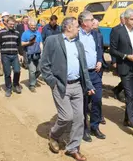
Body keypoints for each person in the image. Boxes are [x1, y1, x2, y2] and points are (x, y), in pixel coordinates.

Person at [41, 16, 95, 161]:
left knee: (79, 118)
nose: (79, 28)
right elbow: (44, 65)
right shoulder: (53, 41)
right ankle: (54, 135)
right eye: (77, 26)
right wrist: (53, 82)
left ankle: (73, 148)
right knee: (66, 117)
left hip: (77, 85)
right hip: (60, 85)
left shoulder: (79, 44)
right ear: (69, 27)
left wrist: (88, 85)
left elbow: (83, 68)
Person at [110, 8, 133, 138]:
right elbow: (113, 50)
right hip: (125, 68)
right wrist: (125, 56)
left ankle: (126, 119)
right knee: (129, 96)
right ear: (126, 19)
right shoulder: (117, 31)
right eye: (132, 19)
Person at [77, 11, 105, 142]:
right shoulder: (76, 35)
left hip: (95, 73)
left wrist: (99, 60)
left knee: (97, 100)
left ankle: (95, 126)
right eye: (91, 19)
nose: (93, 21)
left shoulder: (96, 34)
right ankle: (84, 129)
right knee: (83, 103)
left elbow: (99, 49)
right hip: (82, 74)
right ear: (84, 23)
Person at [0, 17, 24, 97]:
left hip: (14, 55)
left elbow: (19, 45)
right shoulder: (1, 32)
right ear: (6, 23)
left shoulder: (17, 32)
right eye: (10, 24)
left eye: (13, 24)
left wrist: (21, 54)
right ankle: (8, 88)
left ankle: (16, 84)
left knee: (17, 71)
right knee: (7, 73)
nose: (12, 26)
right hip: (5, 55)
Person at [21, 19, 43, 92]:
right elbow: (22, 43)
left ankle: (32, 79)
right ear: (28, 25)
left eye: (34, 25)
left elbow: (40, 43)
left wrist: (42, 51)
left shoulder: (38, 33)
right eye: (32, 25)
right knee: (32, 70)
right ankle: (32, 85)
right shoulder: (25, 33)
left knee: (39, 69)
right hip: (29, 54)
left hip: (38, 53)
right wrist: (29, 42)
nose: (33, 27)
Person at [111, 13, 125, 101]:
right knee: (125, 79)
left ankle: (117, 89)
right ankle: (118, 90)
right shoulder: (115, 30)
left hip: (129, 58)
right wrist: (114, 61)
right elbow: (113, 47)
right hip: (120, 58)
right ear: (121, 19)